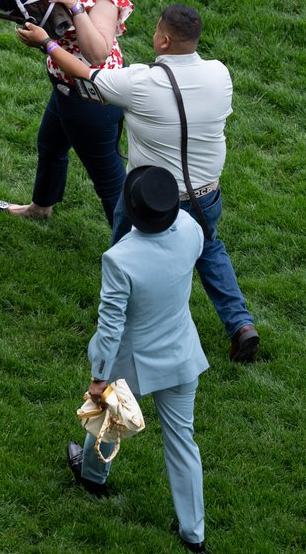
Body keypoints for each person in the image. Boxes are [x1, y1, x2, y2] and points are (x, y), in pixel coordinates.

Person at [16, 3, 260, 363]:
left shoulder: (140, 82)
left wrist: (46, 43)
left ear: (162, 39)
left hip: (150, 197)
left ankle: (119, 324)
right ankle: (240, 324)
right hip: (205, 192)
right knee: (209, 249)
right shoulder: (220, 74)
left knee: (124, 254)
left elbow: (85, 72)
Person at [65, 165, 209, 553]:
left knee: (109, 419)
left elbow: (110, 328)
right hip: (181, 355)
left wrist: (98, 378)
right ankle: (194, 535)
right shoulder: (192, 231)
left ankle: (93, 477)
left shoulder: (120, 258)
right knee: (183, 442)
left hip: (133, 362)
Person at [0, 0, 131, 226]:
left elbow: (98, 54)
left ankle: (131, 243)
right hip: (66, 86)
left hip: (93, 98)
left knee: (109, 179)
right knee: (50, 147)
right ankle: (41, 207)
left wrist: (75, 8)